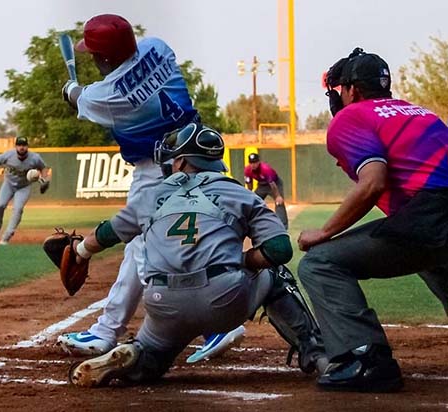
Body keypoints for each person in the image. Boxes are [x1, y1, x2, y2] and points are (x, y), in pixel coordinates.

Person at [67, 123, 327, 387]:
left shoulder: (152, 196)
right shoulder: (239, 193)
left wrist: (80, 251)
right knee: (275, 272)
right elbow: (279, 249)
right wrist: (244, 261)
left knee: (155, 357)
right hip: (223, 298)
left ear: (181, 162)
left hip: (163, 301)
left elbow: (106, 234)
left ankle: (138, 355)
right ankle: (317, 354)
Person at [57, 13, 245, 361]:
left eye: (94, 54)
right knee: (143, 247)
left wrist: (69, 90)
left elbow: (81, 97)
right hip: (199, 156)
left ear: (105, 57)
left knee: (149, 252)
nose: (92, 58)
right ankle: (106, 330)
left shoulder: (105, 95)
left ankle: (215, 325)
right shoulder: (157, 47)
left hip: (157, 172)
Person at [297, 47, 448, 393]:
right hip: (430, 216)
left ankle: (366, 359)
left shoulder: (351, 116)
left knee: (319, 263)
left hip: (431, 214)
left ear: (352, 90)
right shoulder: (422, 112)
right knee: (432, 259)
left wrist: (325, 232)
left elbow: (373, 182)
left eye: (339, 90)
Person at [0, 136, 49, 245]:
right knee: (0, 205)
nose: (22, 147)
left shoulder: (34, 157)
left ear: (27, 146)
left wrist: (44, 179)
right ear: (16, 146)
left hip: (24, 187)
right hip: (8, 184)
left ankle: (7, 236)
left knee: (18, 209)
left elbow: (43, 167)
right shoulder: (9, 155)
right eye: (19, 145)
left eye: (24, 145)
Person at [244, 153, 288, 229]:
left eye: (255, 162)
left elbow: (272, 184)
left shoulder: (265, 169)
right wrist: (250, 195)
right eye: (251, 163)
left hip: (275, 184)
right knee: (253, 201)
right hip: (262, 185)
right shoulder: (247, 170)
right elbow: (249, 183)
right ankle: (253, 222)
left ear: (258, 162)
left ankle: (282, 226)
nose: (253, 165)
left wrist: (278, 196)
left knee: (279, 203)